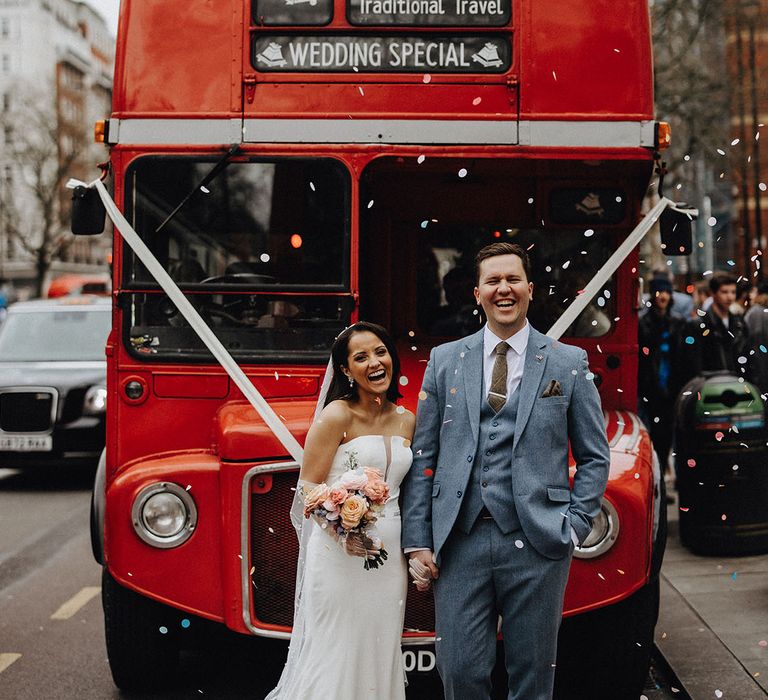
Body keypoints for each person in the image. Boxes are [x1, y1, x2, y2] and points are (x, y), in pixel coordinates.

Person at [401, 242, 610, 700]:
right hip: (459, 542)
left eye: (512, 279)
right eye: (493, 281)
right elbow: (423, 456)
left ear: (530, 290)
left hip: (538, 541)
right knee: (459, 671)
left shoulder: (567, 363)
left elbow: (595, 455)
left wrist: (573, 526)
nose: (503, 289)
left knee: (533, 676)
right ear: (477, 293)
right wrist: (417, 539)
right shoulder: (444, 360)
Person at [266, 322, 415, 700]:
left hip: (388, 558)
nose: (374, 362)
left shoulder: (407, 420)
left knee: (380, 643)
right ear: (347, 371)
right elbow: (309, 488)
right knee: (336, 646)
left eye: (380, 352)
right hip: (339, 555)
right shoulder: (336, 415)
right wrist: (345, 529)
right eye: (360, 357)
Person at [638, 275, 685, 471]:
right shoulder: (644, 322)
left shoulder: (677, 322)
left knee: (666, 433)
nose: (662, 296)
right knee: (651, 432)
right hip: (651, 385)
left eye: (666, 292)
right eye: (659, 292)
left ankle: (663, 470)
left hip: (671, 385)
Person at [680, 271, 750, 385]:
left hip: (737, 385)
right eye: (724, 292)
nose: (729, 297)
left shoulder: (739, 323)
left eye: (733, 292)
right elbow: (692, 364)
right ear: (713, 293)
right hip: (710, 387)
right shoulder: (697, 325)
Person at [744, 281, 768, 393]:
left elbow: (754, 340)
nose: (750, 294)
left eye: (754, 291)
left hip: (759, 367)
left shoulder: (756, 313)